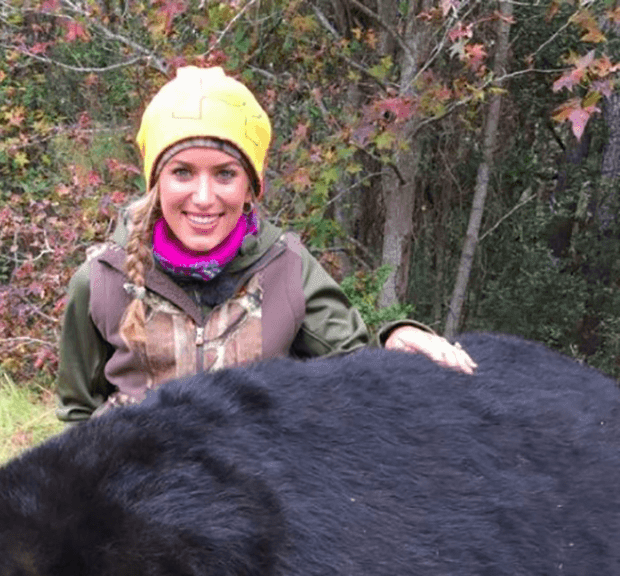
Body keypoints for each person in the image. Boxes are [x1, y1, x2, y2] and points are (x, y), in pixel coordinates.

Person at [57, 66, 475, 421]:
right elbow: (78, 417)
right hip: (140, 490)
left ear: (250, 188)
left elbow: (352, 369)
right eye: (182, 172)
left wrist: (396, 338)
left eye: (225, 174)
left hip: (258, 489)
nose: (203, 197)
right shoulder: (100, 280)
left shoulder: (288, 268)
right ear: (156, 182)